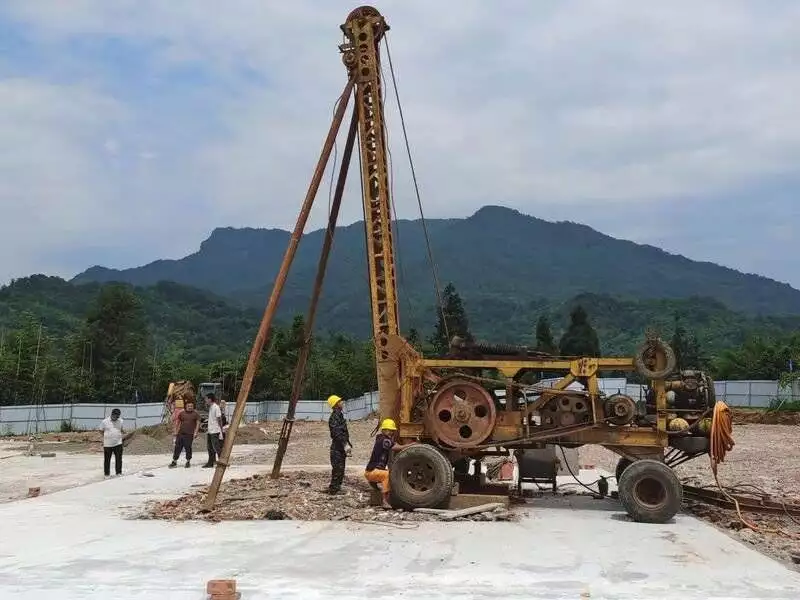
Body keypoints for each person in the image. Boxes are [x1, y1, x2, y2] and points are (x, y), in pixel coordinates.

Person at [364, 418, 414, 509]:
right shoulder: (385, 441)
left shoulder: (381, 438)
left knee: (385, 472)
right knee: (387, 475)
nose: (391, 432)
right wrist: (411, 445)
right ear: (384, 430)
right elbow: (397, 447)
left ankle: (373, 483)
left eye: (392, 431)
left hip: (370, 471)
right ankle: (385, 501)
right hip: (372, 472)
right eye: (389, 430)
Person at [326, 394, 352, 494]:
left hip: (341, 447)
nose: (342, 403)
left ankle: (337, 488)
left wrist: (347, 443)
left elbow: (343, 432)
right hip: (337, 448)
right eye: (340, 401)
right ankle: (334, 489)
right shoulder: (334, 417)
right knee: (337, 469)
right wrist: (345, 444)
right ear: (336, 404)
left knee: (341, 468)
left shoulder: (339, 416)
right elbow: (336, 433)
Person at [170, 399, 200, 468]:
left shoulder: (195, 414)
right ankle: (174, 461)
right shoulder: (182, 413)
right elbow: (178, 422)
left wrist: (196, 432)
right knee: (177, 447)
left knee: (188, 447)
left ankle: (188, 461)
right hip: (180, 434)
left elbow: (198, 423)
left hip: (189, 434)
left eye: (191, 406)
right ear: (186, 406)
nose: (190, 407)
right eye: (189, 406)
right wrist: (175, 431)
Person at [99, 408, 124, 478]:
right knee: (107, 459)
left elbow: (121, 429)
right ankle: (107, 474)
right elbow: (100, 430)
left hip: (118, 443)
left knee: (119, 459)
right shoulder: (104, 421)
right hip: (108, 444)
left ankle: (118, 472)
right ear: (112, 414)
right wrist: (106, 436)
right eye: (115, 416)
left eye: (117, 417)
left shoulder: (121, 421)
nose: (116, 418)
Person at [203, 393, 224, 468]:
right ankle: (210, 462)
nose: (205, 400)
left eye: (206, 399)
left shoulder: (216, 407)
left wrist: (221, 430)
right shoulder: (211, 407)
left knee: (216, 447)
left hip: (215, 430)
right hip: (210, 430)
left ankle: (222, 461)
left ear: (210, 399)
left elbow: (219, 419)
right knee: (210, 448)